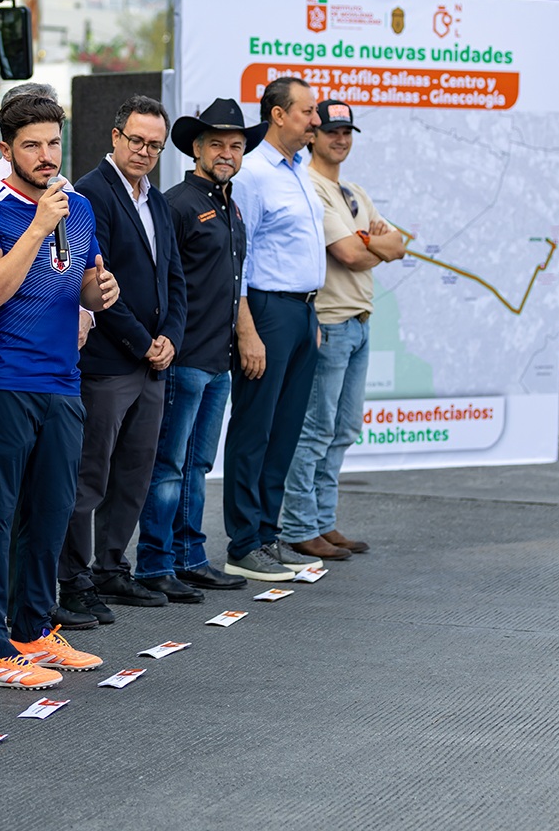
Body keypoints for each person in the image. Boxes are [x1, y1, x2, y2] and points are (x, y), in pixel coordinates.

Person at [0, 92, 119, 689]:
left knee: (51, 515)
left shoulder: (78, 206)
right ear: (6, 149)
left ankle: (32, 631)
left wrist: (100, 291)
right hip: (1, 381)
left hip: (62, 382)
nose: (46, 156)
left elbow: (80, 286)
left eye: (53, 143)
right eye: (31, 146)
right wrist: (39, 226)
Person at [59, 94, 189, 620]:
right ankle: (73, 578)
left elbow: (174, 278)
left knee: (134, 474)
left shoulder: (156, 201)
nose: (145, 152)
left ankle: (111, 567)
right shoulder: (91, 193)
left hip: (152, 363)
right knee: (90, 477)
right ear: (115, 136)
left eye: (155, 145)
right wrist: (143, 342)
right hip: (110, 363)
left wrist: (171, 337)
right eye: (136, 140)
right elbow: (95, 283)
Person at [136, 98, 265, 594]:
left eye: (236, 145)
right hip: (184, 357)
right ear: (196, 148)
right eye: (217, 144)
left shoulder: (231, 206)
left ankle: (189, 557)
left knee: (197, 465)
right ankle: (155, 565)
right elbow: (159, 281)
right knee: (169, 465)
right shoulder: (177, 204)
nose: (227, 153)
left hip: (217, 361)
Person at [281, 101, 405, 558]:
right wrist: (371, 243)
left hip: (359, 322)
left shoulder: (352, 190)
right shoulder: (310, 186)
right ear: (313, 135)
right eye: (331, 130)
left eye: (347, 132)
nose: (340, 139)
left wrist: (370, 242)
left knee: (344, 428)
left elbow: (399, 244)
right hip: (330, 322)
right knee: (317, 430)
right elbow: (350, 256)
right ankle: (299, 525)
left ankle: (323, 521)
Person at [221, 76, 327, 582]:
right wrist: (246, 329)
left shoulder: (300, 170)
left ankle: (267, 534)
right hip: (266, 311)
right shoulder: (254, 173)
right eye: (308, 111)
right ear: (278, 115)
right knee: (254, 429)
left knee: (284, 431)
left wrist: (312, 316)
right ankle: (243, 543)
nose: (316, 121)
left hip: (302, 313)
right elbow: (239, 258)